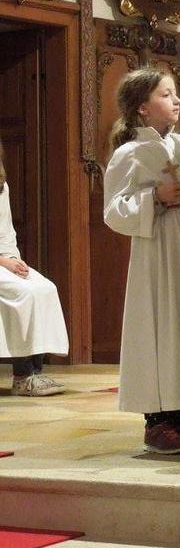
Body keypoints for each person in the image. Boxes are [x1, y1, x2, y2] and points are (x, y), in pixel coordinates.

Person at [103, 68, 180, 454]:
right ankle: (157, 421)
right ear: (142, 107)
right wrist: (154, 198)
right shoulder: (129, 153)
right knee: (162, 326)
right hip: (157, 250)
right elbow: (113, 211)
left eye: (176, 94)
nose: (176, 101)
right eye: (166, 94)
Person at [0, 140, 68, 395]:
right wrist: (3, 262)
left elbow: (6, 231)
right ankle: (23, 376)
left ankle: (36, 374)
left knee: (44, 288)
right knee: (24, 294)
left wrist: (14, 260)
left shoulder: (1, 185)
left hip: (5, 258)